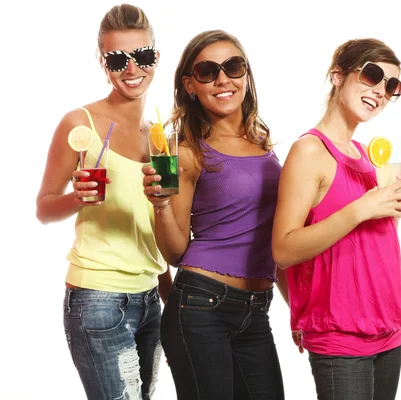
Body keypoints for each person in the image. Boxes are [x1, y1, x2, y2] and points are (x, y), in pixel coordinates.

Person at [35, 4, 171, 400]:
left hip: (150, 296)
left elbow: (150, 229)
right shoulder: (80, 124)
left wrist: (168, 292)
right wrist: (76, 199)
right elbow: (43, 207)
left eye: (142, 56)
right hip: (98, 298)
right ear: (102, 62)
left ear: (156, 57)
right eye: (117, 59)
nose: (132, 69)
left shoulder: (160, 135)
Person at [142, 30, 285, 399]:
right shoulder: (189, 152)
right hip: (201, 307)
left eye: (233, 67)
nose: (223, 79)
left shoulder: (263, 146)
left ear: (246, 75)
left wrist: (297, 308)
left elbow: (278, 238)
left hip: (256, 311)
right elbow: (175, 252)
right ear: (191, 85)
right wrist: (160, 205)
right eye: (208, 71)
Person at [271, 38, 401, 400]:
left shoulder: (368, 155)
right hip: (340, 336)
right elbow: (283, 250)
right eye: (371, 76)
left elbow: (370, 244)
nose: (379, 90)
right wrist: (361, 209)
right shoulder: (309, 151)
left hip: (387, 327)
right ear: (338, 75)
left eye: (390, 85)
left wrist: (391, 208)